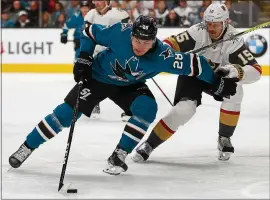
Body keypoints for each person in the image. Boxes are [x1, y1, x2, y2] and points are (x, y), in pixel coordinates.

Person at [8, 15, 238, 175]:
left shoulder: (163, 55)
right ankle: (27, 146)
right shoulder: (120, 32)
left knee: (147, 108)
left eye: (146, 42)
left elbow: (196, 65)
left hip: (130, 85)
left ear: (154, 41)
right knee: (65, 114)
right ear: (132, 35)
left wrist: (217, 83)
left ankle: (119, 154)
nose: (140, 46)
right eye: (137, 40)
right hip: (97, 78)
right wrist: (83, 57)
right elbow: (88, 32)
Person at [132, 3, 262, 163]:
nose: (211, 28)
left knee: (235, 92)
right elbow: (169, 43)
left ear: (226, 22)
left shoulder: (234, 40)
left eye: (215, 24)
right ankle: (149, 144)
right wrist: (153, 53)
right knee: (184, 111)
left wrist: (234, 71)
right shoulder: (198, 31)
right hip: (194, 74)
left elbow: (256, 71)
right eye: (209, 24)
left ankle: (224, 137)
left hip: (216, 77)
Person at [84, 0, 130, 119]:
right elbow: (88, 35)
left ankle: (129, 108)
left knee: (123, 79)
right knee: (92, 79)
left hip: (113, 52)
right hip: (97, 53)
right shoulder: (91, 14)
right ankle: (94, 104)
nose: (96, 3)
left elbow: (129, 31)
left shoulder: (119, 13)